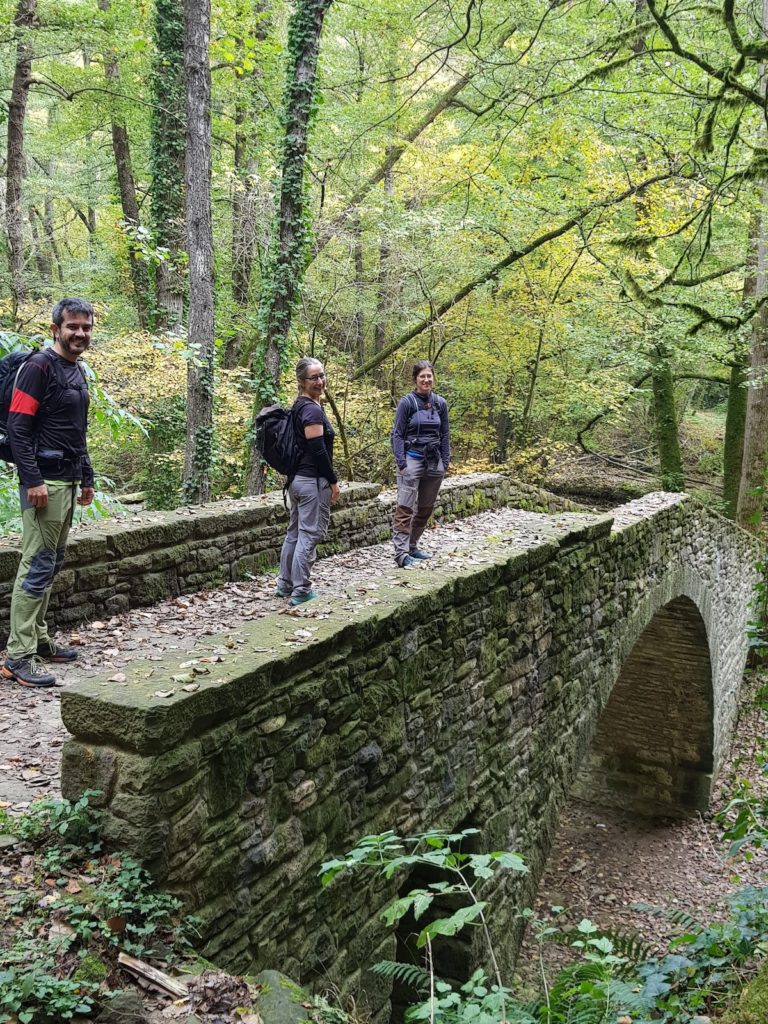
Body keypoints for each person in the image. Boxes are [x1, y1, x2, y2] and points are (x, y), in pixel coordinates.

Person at [1, 298, 95, 688]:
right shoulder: (39, 367)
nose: (80, 334)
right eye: (73, 326)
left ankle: (38, 640)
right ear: (56, 328)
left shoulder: (77, 370)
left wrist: (87, 477)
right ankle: (17, 656)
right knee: (36, 565)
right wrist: (34, 479)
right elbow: (19, 428)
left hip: (68, 480)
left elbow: (77, 430)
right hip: (45, 483)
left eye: (86, 327)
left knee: (51, 563)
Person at [276, 357, 340, 606]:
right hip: (312, 481)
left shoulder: (300, 406)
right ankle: (301, 589)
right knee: (309, 534)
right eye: (314, 377)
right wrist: (332, 480)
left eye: (322, 375)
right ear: (302, 381)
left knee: (294, 533)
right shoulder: (311, 410)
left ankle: (285, 583)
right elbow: (317, 450)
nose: (320, 381)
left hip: (297, 482)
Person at [391, 360, 450, 568]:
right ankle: (401, 554)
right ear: (415, 379)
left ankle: (413, 547)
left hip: (434, 462)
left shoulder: (440, 403)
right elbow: (397, 434)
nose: (426, 380)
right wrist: (401, 462)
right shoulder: (407, 403)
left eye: (429, 376)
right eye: (422, 376)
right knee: (405, 508)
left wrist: (446, 461)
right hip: (412, 459)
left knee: (425, 509)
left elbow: (445, 434)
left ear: (433, 378)